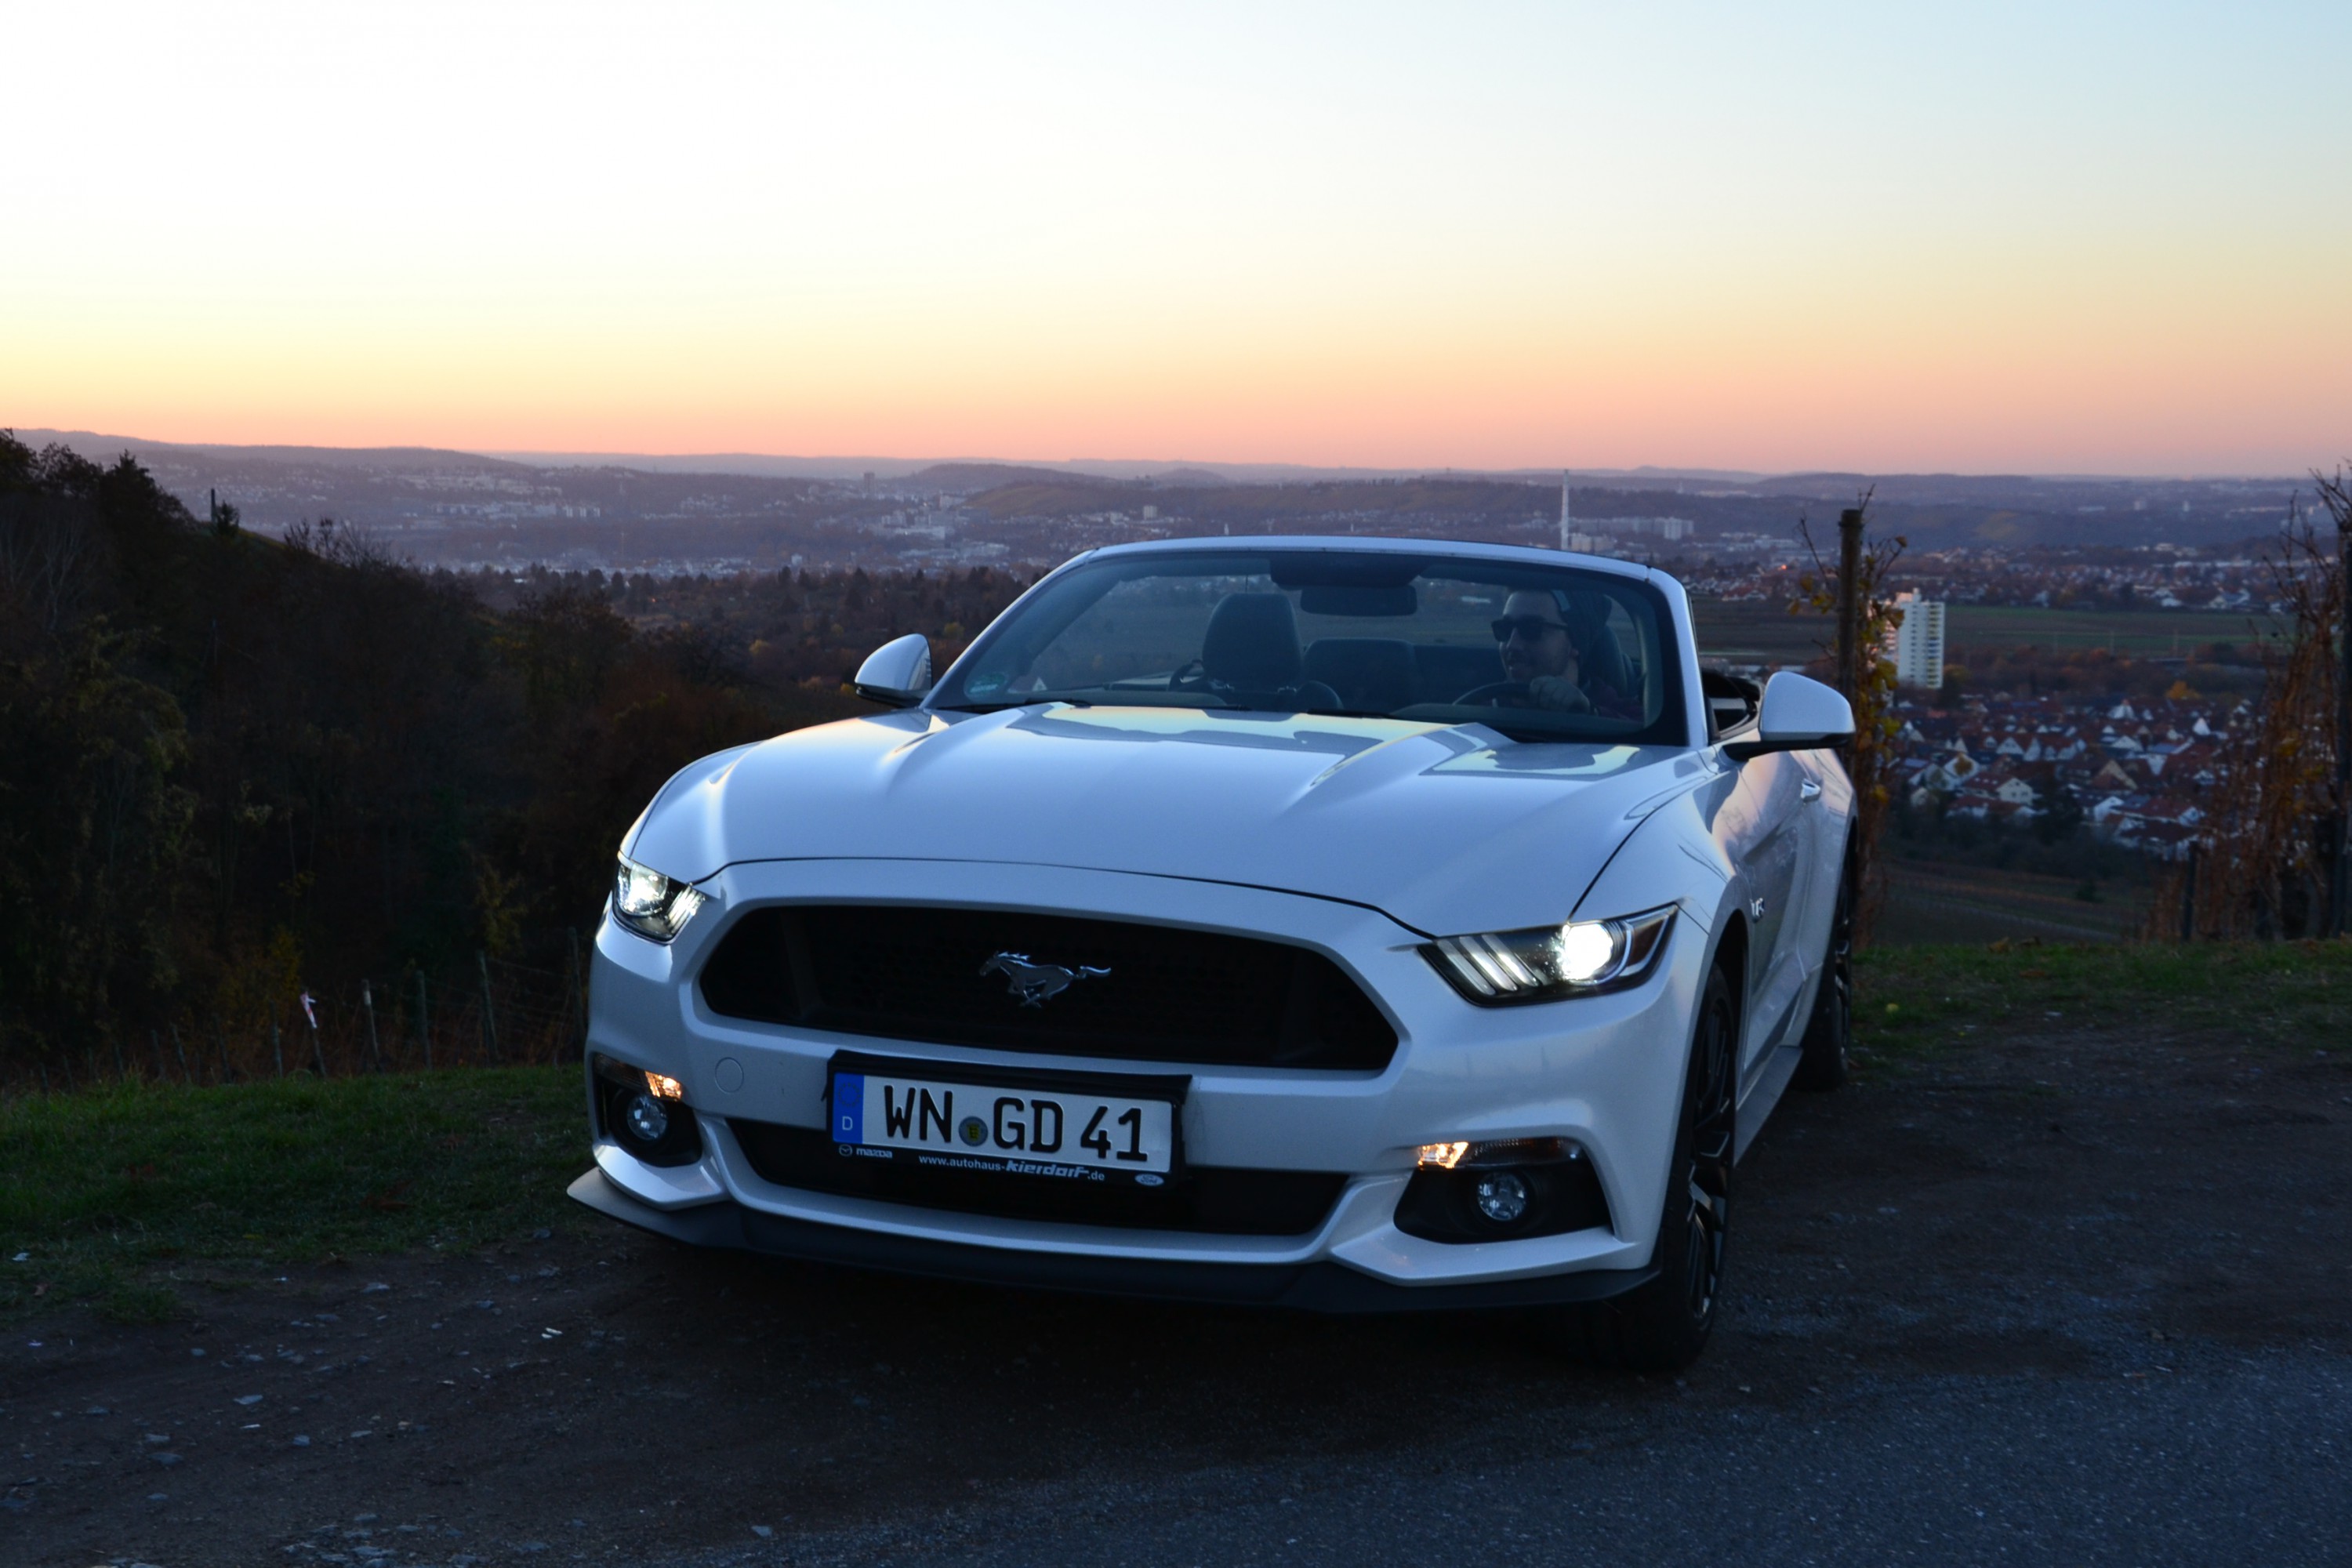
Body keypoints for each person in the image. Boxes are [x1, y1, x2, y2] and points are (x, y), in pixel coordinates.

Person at [1485, 589, 1639, 717]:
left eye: (1531, 629)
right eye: (1504, 629)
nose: (1512, 645)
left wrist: (1591, 714)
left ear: (1575, 640)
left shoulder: (1630, 720)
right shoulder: (1478, 710)